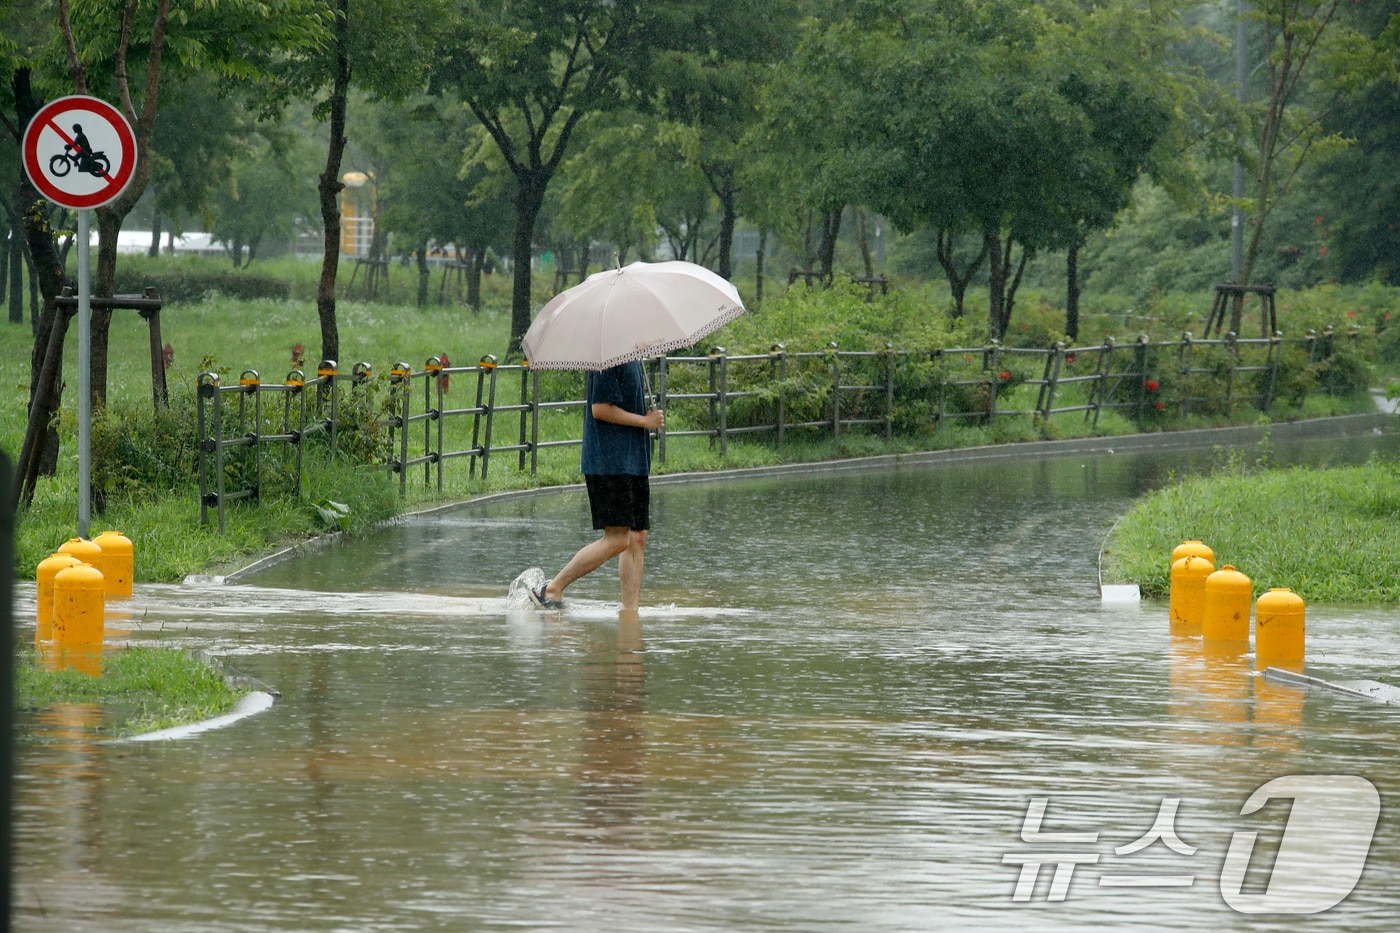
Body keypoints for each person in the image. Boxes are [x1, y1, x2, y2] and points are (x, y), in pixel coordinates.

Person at [530, 360, 664, 612]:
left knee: (637, 537)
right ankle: (551, 589)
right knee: (617, 539)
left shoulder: (632, 357)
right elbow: (600, 409)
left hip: (634, 461)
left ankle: (630, 612)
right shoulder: (609, 359)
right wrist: (645, 422)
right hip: (609, 462)